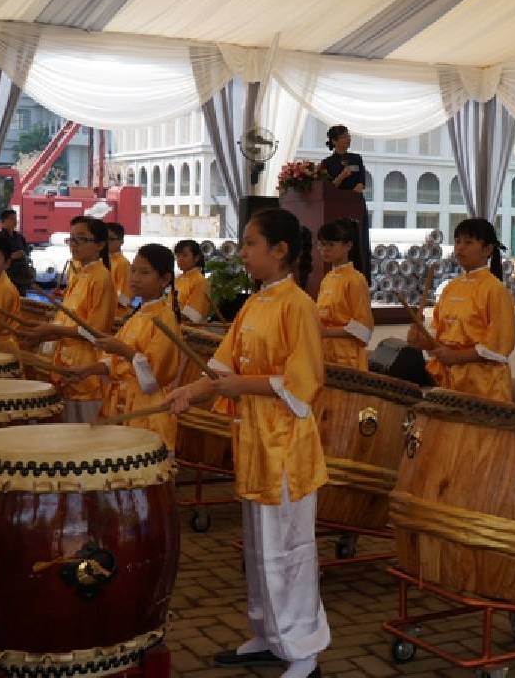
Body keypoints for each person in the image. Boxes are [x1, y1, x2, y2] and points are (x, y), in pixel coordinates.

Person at [167, 208, 329, 678]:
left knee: (290, 549)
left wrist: (244, 386)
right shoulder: (256, 302)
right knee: (259, 549)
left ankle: (303, 652)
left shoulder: (297, 304)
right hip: (256, 441)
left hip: (286, 448)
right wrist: (191, 391)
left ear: (279, 251)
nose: (242, 253)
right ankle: (269, 634)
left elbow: (305, 381)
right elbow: (222, 366)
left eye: (250, 244)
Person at [64, 244, 182, 450]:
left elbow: (153, 377)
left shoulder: (165, 318)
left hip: (147, 409)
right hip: (120, 403)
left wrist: (122, 350)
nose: (135, 278)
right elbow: (115, 360)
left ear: (164, 279)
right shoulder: (139, 315)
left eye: (144, 272)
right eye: (133, 271)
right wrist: (88, 370)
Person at [407, 218, 515, 401]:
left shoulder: (495, 290)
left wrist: (456, 357)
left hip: (483, 386)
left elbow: (499, 346)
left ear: (487, 250)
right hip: (450, 382)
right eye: (457, 241)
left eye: (468, 242)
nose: (460, 248)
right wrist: (423, 342)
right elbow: (439, 338)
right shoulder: (451, 287)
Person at [20, 216, 117, 423]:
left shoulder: (101, 277)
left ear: (100, 244)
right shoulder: (79, 274)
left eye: (81, 239)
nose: (74, 245)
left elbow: (95, 331)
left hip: (86, 368)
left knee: (82, 442)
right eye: (71, 239)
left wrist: (51, 330)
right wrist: (47, 329)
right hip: (67, 363)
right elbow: (69, 320)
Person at [315, 218, 373, 369]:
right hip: (326, 355)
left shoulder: (355, 280)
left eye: (331, 244)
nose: (324, 249)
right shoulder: (327, 279)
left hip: (347, 359)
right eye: (321, 244)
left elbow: (363, 329)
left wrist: (326, 332)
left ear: (348, 245)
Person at [317, 125, 371, 279]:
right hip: (336, 206)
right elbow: (329, 187)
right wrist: (342, 176)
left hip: (355, 203)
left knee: (358, 239)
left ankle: (361, 274)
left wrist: (359, 186)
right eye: (344, 137)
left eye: (348, 136)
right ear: (334, 141)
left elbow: (361, 182)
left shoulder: (356, 158)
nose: (348, 139)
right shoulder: (327, 163)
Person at [0, 209, 35, 296]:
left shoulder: (20, 237)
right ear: (3, 221)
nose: (15, 221)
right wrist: (12, 256)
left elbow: (26, 253)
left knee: (21, 302)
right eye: (11, 219)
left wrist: (24, 254)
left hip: (21, 277)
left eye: (15, 219)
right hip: (6, 276)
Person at [173, 240, 211, 323]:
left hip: (189, 332)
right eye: (178, 256)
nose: (180, 259)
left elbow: (191, 316)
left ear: (196, 258)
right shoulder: (178, 279)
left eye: (184, 255)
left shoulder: (200, 281)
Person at [107, 222, 132, 312]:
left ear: (121, 241)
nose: (106, 243)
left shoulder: (123, 264)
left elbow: (125, 299)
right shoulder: (99, 262)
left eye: (110, 239)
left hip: (117, 315)